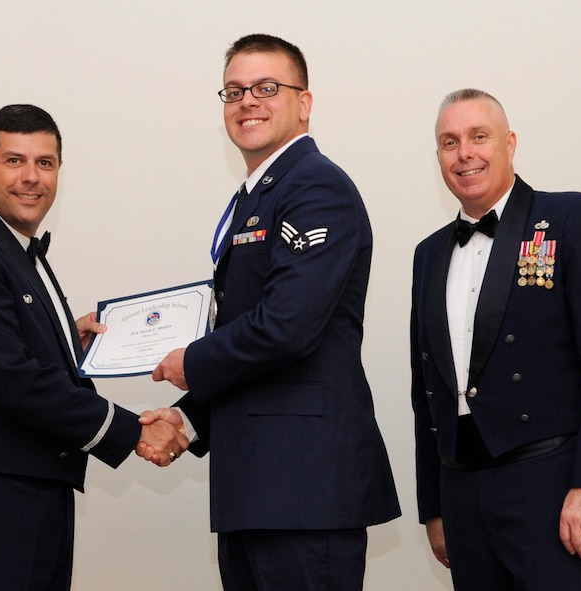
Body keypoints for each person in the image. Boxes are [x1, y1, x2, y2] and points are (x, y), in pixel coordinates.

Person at [140, 34, 401, 591]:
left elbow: (287, 328)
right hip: (258, 488)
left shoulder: (316, 186)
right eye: (234, 91)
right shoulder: (258, 197)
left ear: (304, 103)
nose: (247, 102)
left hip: (304, 488)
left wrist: (192, 362)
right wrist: (188, 420)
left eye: (266, 87)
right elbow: (254, 349)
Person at [0, 104, 188, 591]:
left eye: (45, 163)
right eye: (14, 161)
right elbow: (14, 379)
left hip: (39, 494)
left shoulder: (17, 253)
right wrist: (132, 431)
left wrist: (63, 341)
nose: (31, 177)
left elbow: (12, 350)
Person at [410, 88, 581, 590]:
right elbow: (424, 391)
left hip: (552, 488)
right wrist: (435, 505)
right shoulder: (427, 254)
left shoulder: (574, 219)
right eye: (449, 142)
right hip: (462, 495)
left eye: (479, 136)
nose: (464, 153)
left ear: (510, 143)